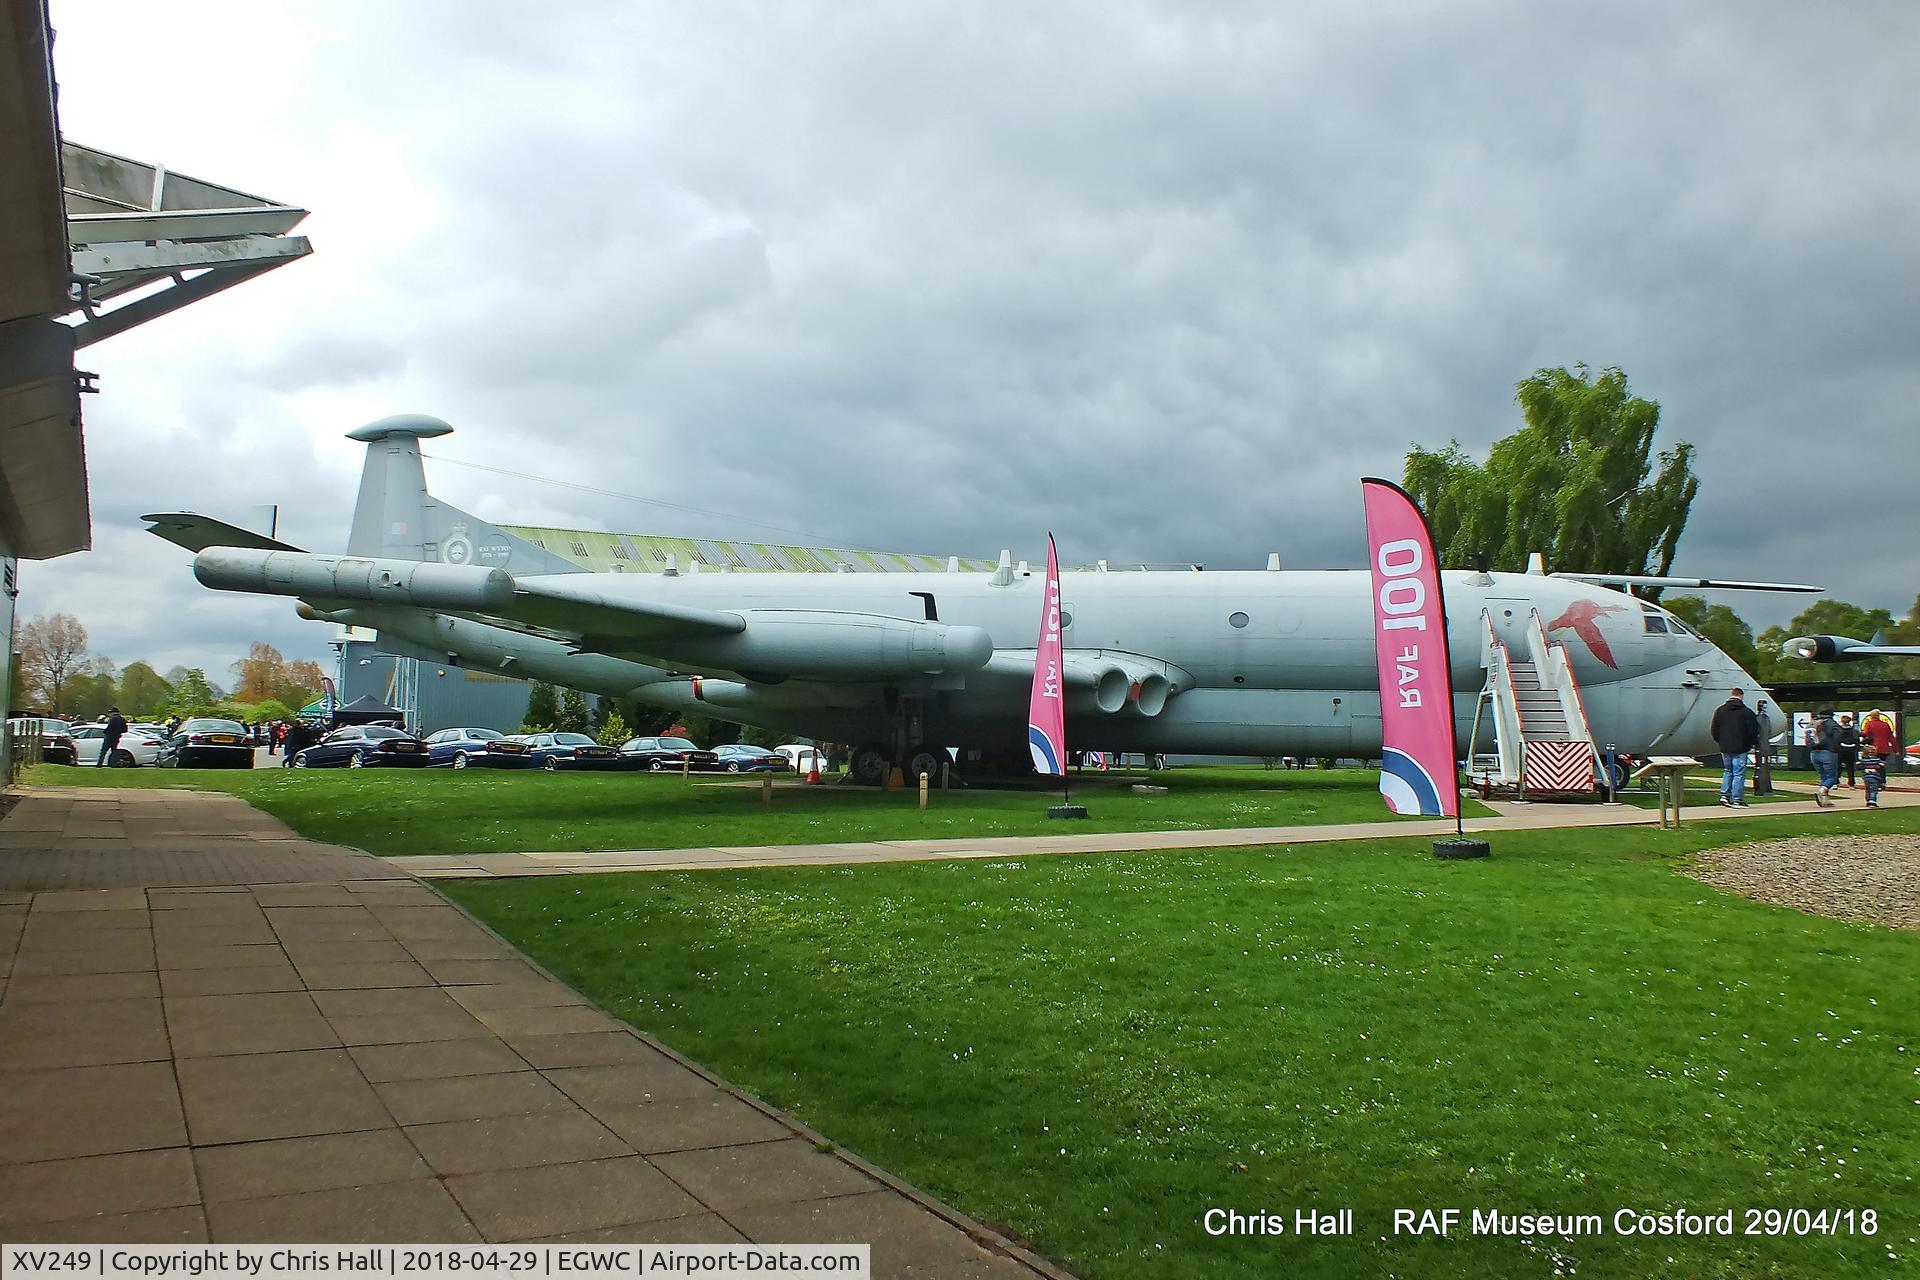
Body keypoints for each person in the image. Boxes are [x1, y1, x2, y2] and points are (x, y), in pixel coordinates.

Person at [1709, 688, 1760, 807]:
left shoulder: (1720, 711)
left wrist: (1721, 741)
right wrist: (1750, 743)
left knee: (1728, 771)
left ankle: (1724, 795)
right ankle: (1737, 798)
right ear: (1741, 696)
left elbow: (1714, 729)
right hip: (1741, 746)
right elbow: (1753, 731)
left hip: (1725, 746)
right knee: (1738, 773)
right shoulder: (1747, 712)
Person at [1807, 706, 1843, 807]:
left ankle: (1825, 800)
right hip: (1828, 752)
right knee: (1832, 777)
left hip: (1814, 753)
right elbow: (1839, 735)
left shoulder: (1814, 722)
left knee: (1823, 776)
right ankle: (1822, 791)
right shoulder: (1830, 723)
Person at [1836, 713, 1861, 789]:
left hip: (1840, 749)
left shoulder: (1838, 730)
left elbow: (1836, 740)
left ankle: (1835, 782)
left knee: (1838, 766)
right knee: (1850, 767)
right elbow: (1857, 740)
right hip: (1851, 749)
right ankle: (1851, 784)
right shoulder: (1854, 730)